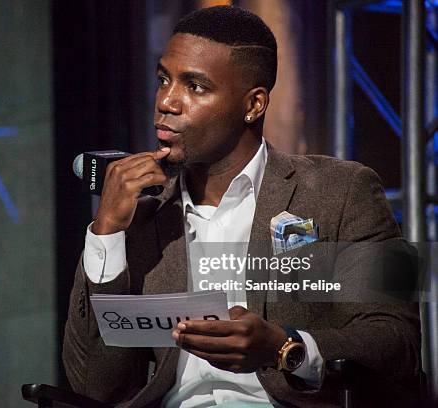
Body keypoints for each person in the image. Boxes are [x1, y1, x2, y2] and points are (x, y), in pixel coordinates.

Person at [63, 5, 422, 407]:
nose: (167, 101)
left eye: (195, 87)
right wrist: (106, 231)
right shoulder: (141, 214)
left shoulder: (340, 191)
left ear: (253, 105)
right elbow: (93, 385)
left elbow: (397, 342)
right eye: (163, 80)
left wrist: (284, 346)